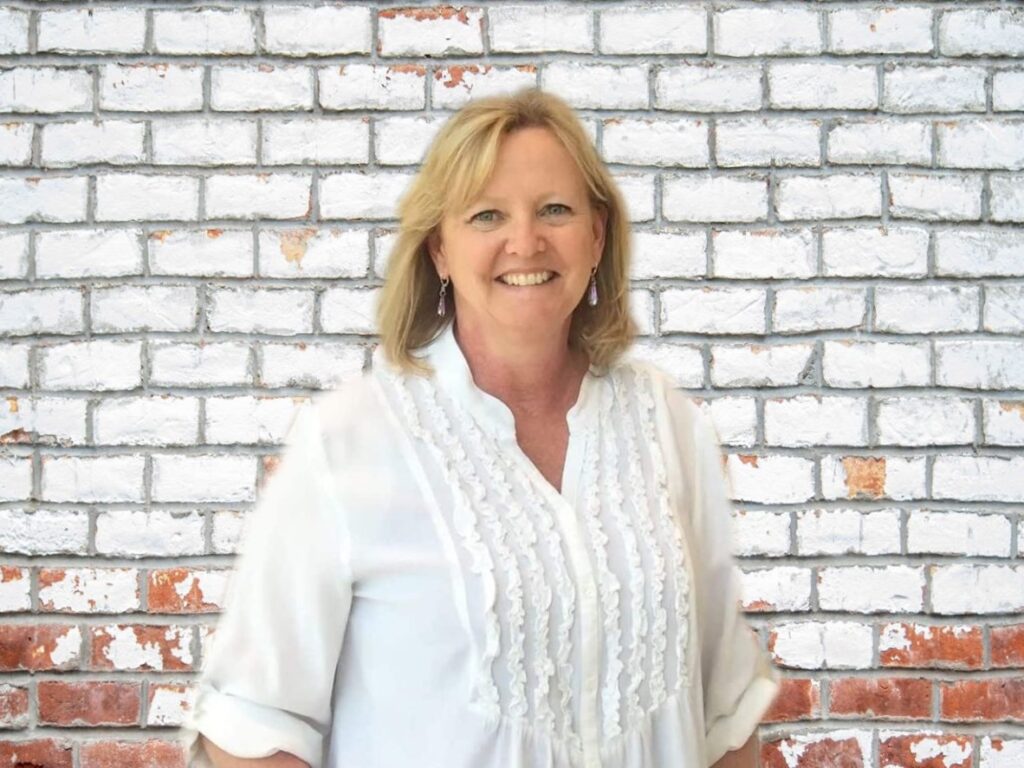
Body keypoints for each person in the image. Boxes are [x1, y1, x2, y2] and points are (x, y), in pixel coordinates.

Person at [182, 87, 779, 768]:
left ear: (597, 235)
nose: (524, 241)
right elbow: (251, 727)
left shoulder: (665, 421)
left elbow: (725, 716)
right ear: (439, 248)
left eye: (554, 209)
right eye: (487, 214)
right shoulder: (351, 438)